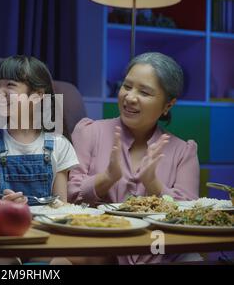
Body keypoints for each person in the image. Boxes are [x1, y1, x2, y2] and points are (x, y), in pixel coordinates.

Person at [68, 52, 200, 265]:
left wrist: (154, 185)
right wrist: (107, 178)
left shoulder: (183, 151)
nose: (129, 97)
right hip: (101, 249)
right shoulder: (90, 132)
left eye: (145, 92)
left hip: (162, 251)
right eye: (127, 86)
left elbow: (191, 217)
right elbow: (68, 197)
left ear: (168, 105)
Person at [0, 55, 79, 264]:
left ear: (37, 96)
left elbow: (61, 208)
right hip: (4, 237)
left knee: (64, 261)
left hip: (44, 236)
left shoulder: (59, 144)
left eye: (9, 86)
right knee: (1, 260)